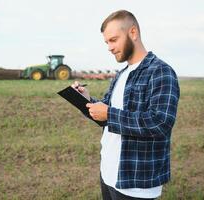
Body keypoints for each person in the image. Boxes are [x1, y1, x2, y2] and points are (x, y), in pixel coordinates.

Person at [72, 10, 180, 200]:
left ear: (133, 33)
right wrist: (86, 99)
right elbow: (105, 114)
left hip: (136, 185)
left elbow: (160, 122)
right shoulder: (121, 74)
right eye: (106, 42)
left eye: (113, 40)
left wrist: (109, 114)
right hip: (108, 173)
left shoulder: (161, 71)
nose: (109, 47)